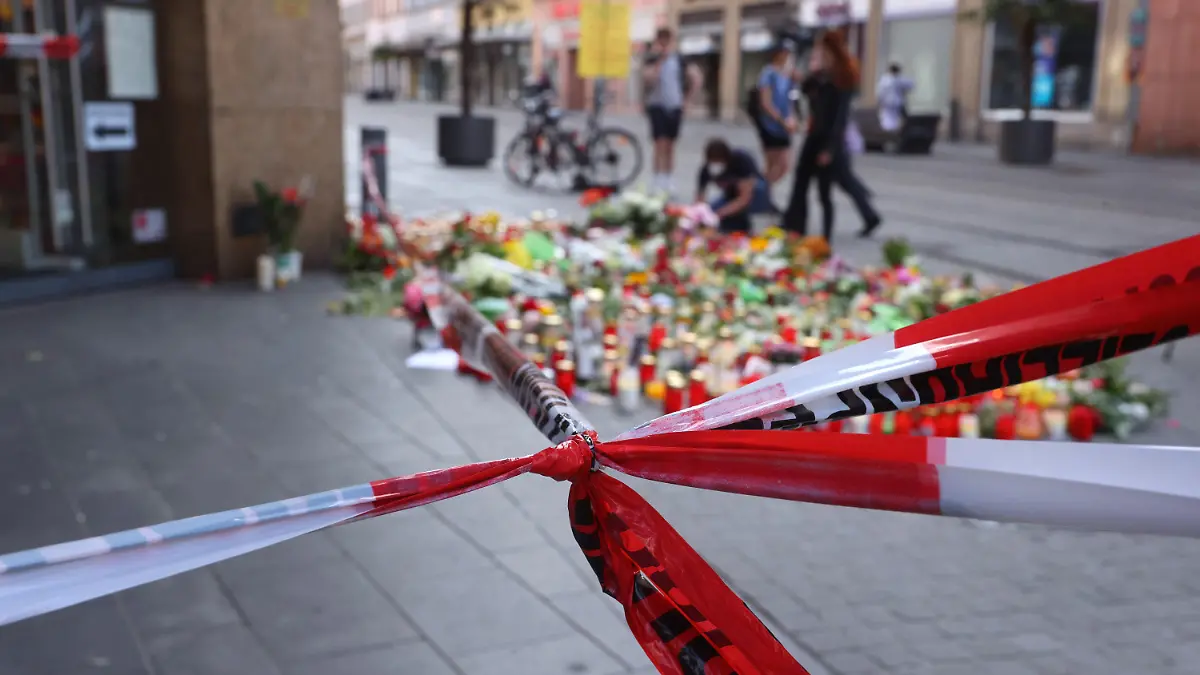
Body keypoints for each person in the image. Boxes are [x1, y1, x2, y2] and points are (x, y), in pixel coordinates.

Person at [781, 31, 881, 242]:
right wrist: (808, 74)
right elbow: (807, 92)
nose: (818, 53)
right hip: (814, 137)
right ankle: (794, 225)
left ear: (831, 51)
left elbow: (840, 119)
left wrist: (830, 148)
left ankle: (857, 221)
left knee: (834, 186)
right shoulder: (821, 75)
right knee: (805, 182)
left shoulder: (842, 78)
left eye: (822, 50)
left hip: (828, 140)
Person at [642, 28, 700, 195]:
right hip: (657, 105)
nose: (664, 44)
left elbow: (695, 77)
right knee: (659, 143)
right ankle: (656, 179)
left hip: (675, 106)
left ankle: (668, 178)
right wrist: (660, 61)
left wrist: (687, 100)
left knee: (670, 145)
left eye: (667, 40)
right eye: (661, 40)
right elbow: (648, 79)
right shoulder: (652, 59)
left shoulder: (680, 59)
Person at [695, 138, 775, 234]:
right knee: (711, 212)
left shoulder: (741, 161)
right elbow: (700, 198)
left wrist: (721, 213)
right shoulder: (706, 169)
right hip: (730, 195)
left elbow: (745, 197)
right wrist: (701, 214)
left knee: (728, 215)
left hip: (754, 194)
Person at [755, 43, 797, 185]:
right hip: (771, 124)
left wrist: (791, 118)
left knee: (784, 165)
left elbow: (789, 100)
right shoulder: (769, 73)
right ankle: (760, 191)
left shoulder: (787, 75)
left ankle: (763, 190)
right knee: (772, 164)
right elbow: (765, 102)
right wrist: (781, 120)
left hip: (784, 126)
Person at [876, 62, 914, 132]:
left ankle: (890, 131)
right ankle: (900, 131)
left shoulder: (884, 80)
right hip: (897, 103)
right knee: (898, 119)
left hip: (887, 103)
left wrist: (879, 102)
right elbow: (911, 85)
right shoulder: (899, 79)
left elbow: (880, 93)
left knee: (888, 119)